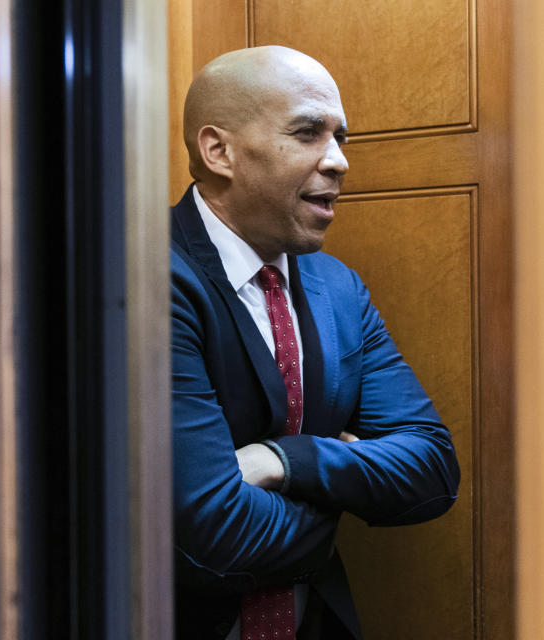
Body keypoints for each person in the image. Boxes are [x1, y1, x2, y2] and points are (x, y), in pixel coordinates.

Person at [171, 45, 460, 640]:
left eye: (341, 137)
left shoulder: (338, 288)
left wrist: (286, 461)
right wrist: (347, 489)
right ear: (218, 150)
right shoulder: (143, 280)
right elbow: (213, 537)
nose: (339, 162)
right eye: (308, 133)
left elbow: (432, 469)